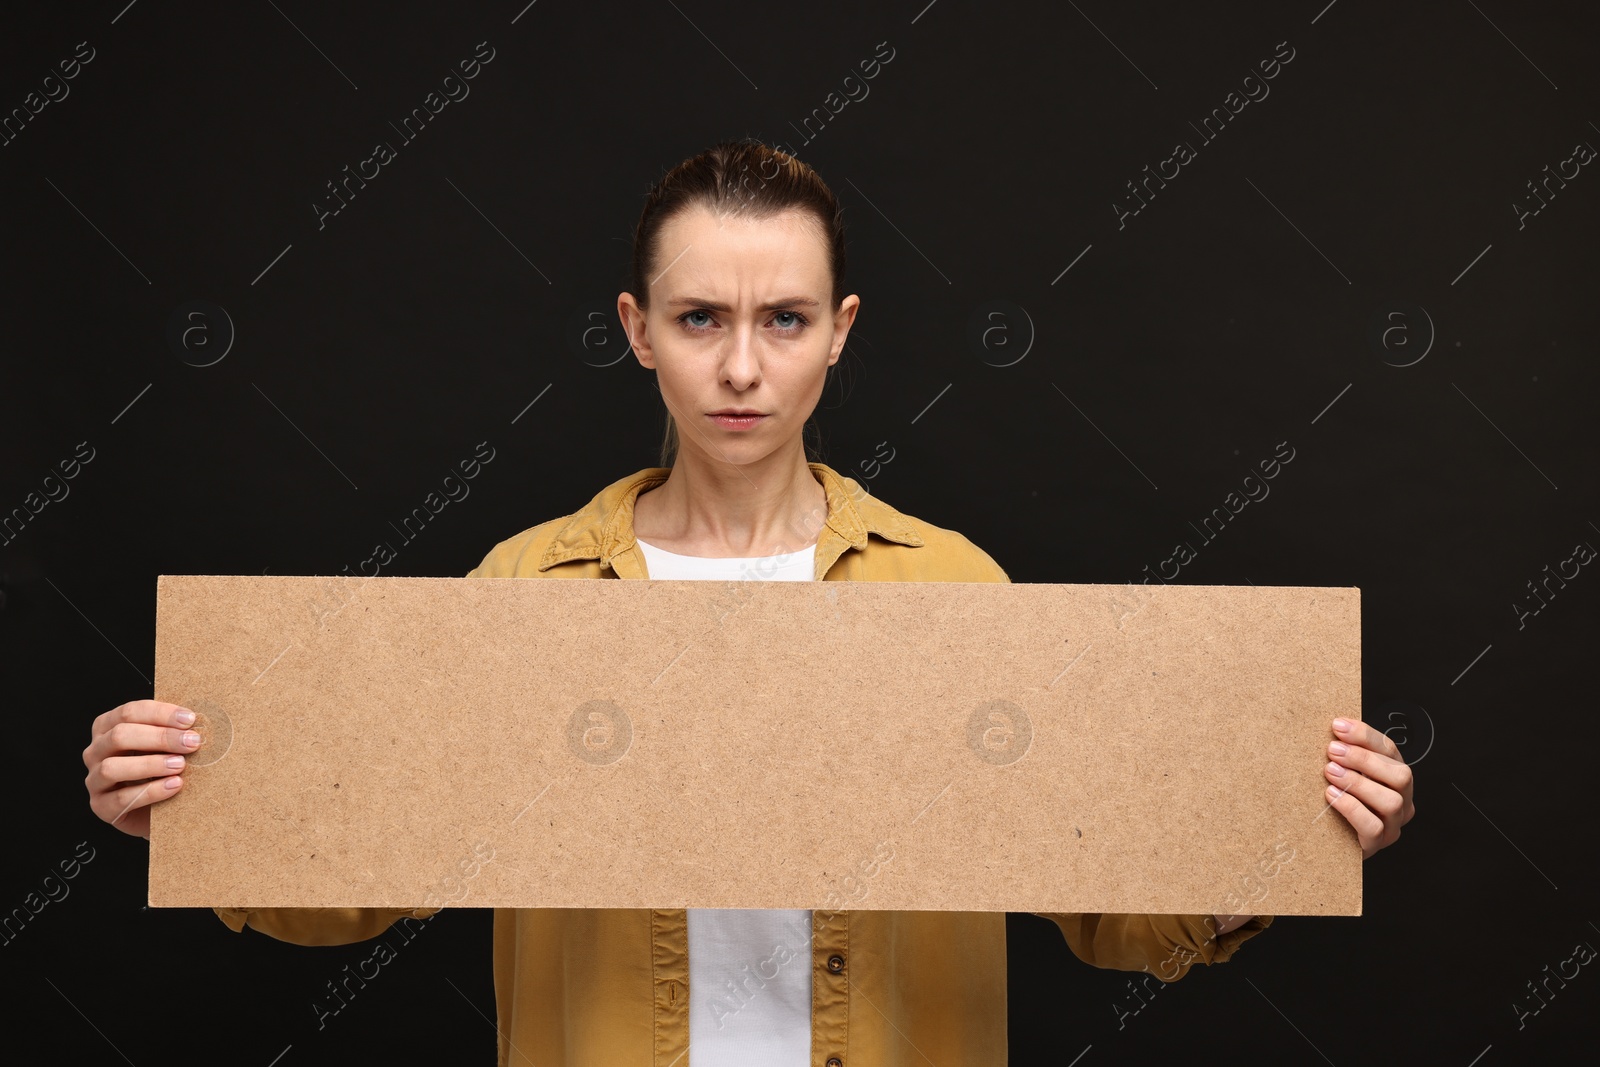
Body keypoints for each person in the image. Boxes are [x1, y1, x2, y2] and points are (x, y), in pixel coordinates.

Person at [83, 140, 1415, 1065]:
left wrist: (1284, 837)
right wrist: (196, 806)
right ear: (636, 327)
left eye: (782, 320)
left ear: (840, 330)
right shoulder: (528, 593)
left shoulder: (950, 591)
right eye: (701, 316)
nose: (740, 366)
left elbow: (1103, 909)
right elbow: (365, 883)